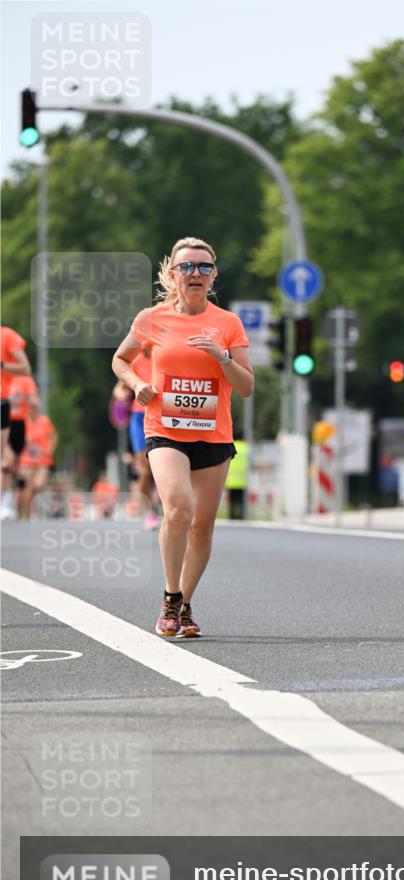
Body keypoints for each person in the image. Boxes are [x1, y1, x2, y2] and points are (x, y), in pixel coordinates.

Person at [112, 235, 253, 638]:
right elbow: (120, 359)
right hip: (164, 429)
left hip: (213, 434)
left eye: (204, 267)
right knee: (178, 506)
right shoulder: (151, 318)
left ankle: (186, 605)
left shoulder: (228, 323)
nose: (195, 273)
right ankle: (170, 599)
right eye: (187, 266)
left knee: (203, 526)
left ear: (213, 276)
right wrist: (137, 382)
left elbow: (245, 386)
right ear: (172, 274)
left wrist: (220, 356)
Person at [1, 326, 32, 520]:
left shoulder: (7, 335)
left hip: (2, 401)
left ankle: (5, 501)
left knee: (4, 459)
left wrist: (2, 365)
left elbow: (25, 368)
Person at [128, 345, 160, 530]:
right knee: (145, 470)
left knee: (160, 469)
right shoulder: (136, 361)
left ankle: (166, 505)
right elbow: (121, 386)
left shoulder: (164, 355)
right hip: (140, 418)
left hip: (161, 416)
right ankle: (149, 512)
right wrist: (119, 396)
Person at [16, 400, 58, 518]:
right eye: (30, 408)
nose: (32, 410)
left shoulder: (44, 422)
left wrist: (50, 449)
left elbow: (54, 436)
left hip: (43, 461)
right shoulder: (24, 422)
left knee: (37, 484)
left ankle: (33, 510)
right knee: (26, 488)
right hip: (26, 461)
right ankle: (26, 514)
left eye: (34, 408)